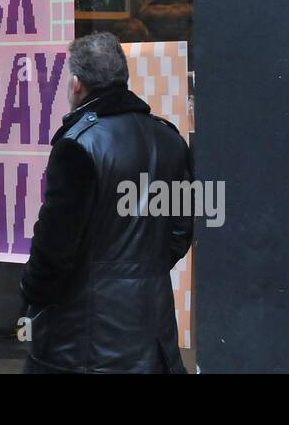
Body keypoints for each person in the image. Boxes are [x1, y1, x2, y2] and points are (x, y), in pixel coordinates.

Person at [20, 32, 195, 374]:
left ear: (76, 83)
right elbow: (179, 233)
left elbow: (56, 247)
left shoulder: (78, 146)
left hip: (82, 339)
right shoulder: (170, 141)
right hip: (152, 333)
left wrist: (32, 292)